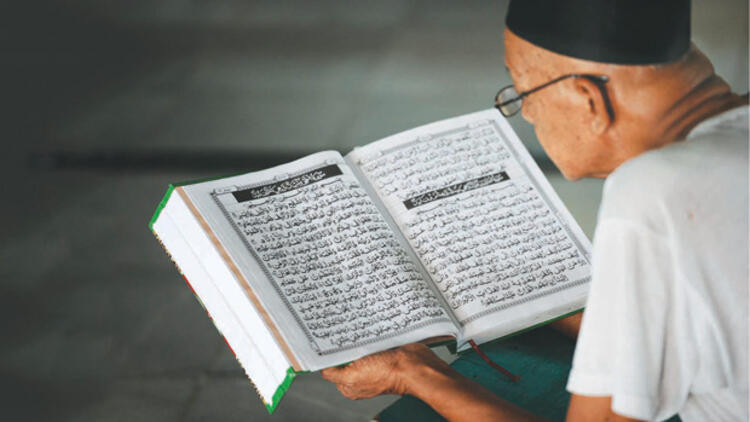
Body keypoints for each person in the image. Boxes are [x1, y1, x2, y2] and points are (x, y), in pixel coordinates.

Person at [321, 0, 749, 420]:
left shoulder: (652, 191)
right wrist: (528, 299)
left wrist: (412, 373)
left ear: (587, 98)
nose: (525, 112)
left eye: (524, 93)